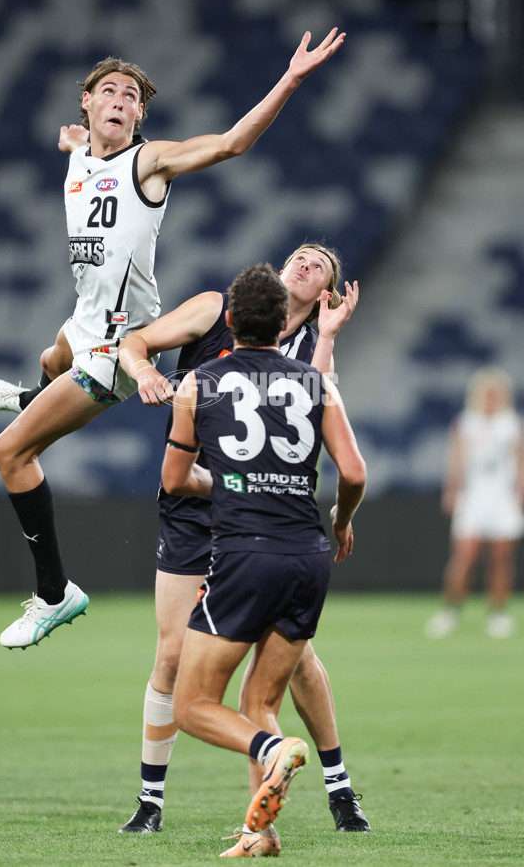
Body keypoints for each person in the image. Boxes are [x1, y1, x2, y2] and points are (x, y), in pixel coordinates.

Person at [0, 28, 346, 649]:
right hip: (81, 325)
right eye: (108, 91)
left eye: (132, 96)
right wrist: (74, 145)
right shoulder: (81, 154)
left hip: (119, 347)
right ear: (84, 104)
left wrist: (292, 78)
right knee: (48, 355)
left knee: (8, 454)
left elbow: (229, 144)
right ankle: (34, 390)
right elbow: (80, 149)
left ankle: (55, 592)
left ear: (141, 115)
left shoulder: (148, 162)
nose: (119, 99)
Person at [116, 243, 371, 840]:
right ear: (277, 279)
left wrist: (328, 337)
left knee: (292, 663)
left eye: (320, 267)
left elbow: (323, 406)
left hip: (254, 509)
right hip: (202, 508)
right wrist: (145, 369)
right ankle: (151, 799)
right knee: (175, 654)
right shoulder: (215, 306)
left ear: (324, 296)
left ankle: (334, 789)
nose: (305, 265)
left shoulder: (313, 351)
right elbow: (135, 342)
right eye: (299, 257)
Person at [424, 366, 524, 640]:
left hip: (503, 497)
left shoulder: (511, 423)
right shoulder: (466, 423)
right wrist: (452, 490)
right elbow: (456, 460)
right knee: (465, 556)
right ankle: (451, 609)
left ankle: (497, 613)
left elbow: (521, 458)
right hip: (474, 496)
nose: (490, 399)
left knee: (501, 557)